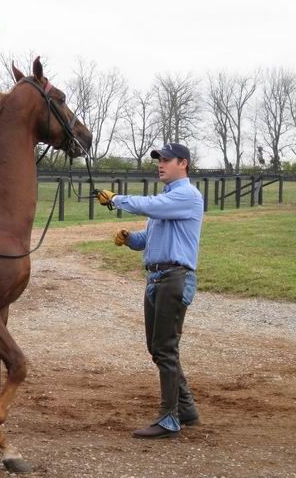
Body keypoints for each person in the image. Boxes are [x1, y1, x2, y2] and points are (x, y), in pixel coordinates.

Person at [96, 143, 203, 439]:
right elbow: (148, 239)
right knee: (158, 349)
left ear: (183, 163)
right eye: (159, 159)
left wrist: (117, 199)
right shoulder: (168, 199)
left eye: (166, 159)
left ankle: (170, 418)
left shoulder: (187, 196)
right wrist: (130, 238)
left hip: (174, 279)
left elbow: (150, 206)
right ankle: (187, 410)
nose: (160, 164)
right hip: (158, 279)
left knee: (165, 349)